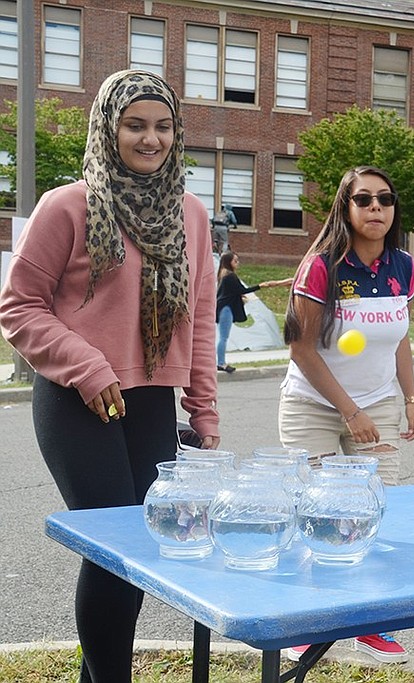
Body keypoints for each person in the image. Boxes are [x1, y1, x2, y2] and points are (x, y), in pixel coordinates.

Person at [0, 69, 219, 683]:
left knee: (139, 549)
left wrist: (203, 410)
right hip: (76, 400)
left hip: (150, 399)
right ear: (108, 127)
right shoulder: (67, 205)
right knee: (112, 546)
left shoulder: (190, 215)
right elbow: (18, 307)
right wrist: (87, 366)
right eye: (134, 125)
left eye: (163, 126)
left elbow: (200, 316)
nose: (150, 139)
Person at [278, 165, 414, 664]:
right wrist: (350, 411)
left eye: (385, 199)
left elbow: (399, 337)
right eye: (364, 200)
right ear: (345, 207)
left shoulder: (403, 264)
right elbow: (301, 349)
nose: (376, 208)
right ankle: (307, 622)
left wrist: (411, 397)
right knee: (320, 515)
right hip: (313, 405)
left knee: (373, 511)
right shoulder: (321, 266)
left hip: (378, 402)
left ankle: (369, 623)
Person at [215, 250, 284, 373]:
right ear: (228, 262)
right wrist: (261, 286)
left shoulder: (223, 274)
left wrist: (239, 297)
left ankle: (220, 362)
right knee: (224, 337)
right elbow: (242, 290)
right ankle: (220, 363)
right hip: (226, 309)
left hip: (223, 307)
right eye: (235, 261)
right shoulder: (230, 275)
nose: (238, 263)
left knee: (223, 336)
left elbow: (231, 292)